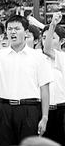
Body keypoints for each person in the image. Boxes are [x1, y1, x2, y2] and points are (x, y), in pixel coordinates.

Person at [0, 14, 52, 146]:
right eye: (10, 29)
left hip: (29, 109)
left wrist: (45, 117)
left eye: (17, 29)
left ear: (26, 32)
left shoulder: (38, 57)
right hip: (4, 108)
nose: (13, 32)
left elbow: (44, 88)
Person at [40, 12, 65, 145]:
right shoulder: (37, 58)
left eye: (51, 37)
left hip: (62, 111)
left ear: (62, 41)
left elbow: (48, 49)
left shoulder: (62, 58)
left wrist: (53, 25)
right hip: (43, 111)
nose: (46, 41)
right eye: (43, 38)